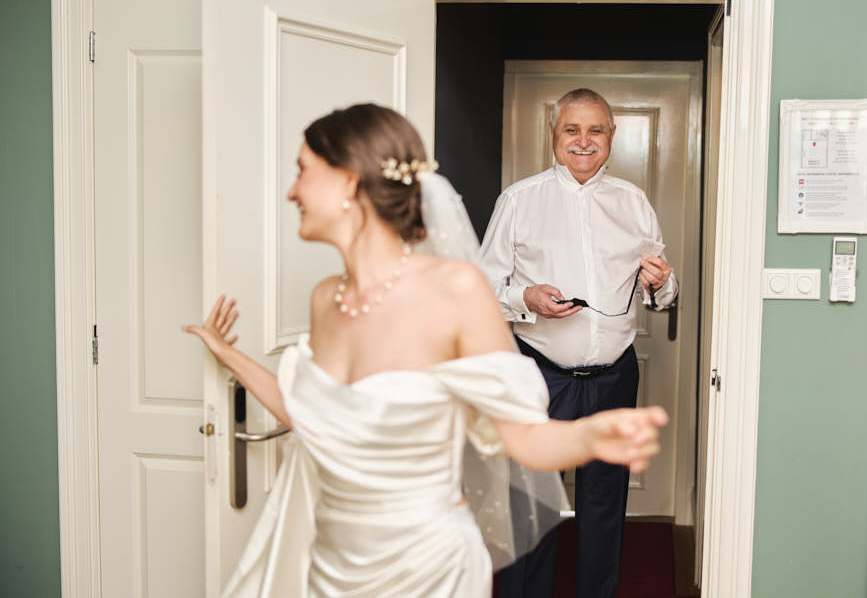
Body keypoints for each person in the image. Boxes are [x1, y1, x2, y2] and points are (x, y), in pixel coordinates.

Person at [182, 103, 668, 597]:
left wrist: (591, 435)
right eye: (572, 129)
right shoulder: (327, 298)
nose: (292, 191)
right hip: (333, 564)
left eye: (303, 171)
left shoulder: (455, 290)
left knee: (598, 511)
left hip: (428, 567)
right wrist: (228, 355)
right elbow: (308, 413)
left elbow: (521, 438)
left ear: (349, 183)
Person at [482, 88, 678, 598]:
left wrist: (662, 283)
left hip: (614, 377)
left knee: (605, 504)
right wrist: (526, 297)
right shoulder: (519, 200)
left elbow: (661, 289)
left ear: (612, 135)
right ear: (554, 134)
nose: (584, 141)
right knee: (531, 505)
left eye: (595, 130)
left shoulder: (633, 202)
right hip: (541, 375)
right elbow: (482, 288)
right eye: (572, 129)